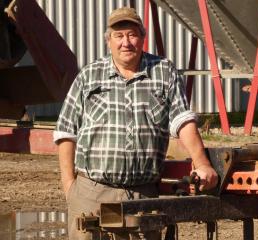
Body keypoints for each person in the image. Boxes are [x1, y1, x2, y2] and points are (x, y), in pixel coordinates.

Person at [54, 7, 218, 240]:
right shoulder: (89, 76)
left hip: (142, 196)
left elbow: (183, 121)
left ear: (142, 37)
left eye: (132, 34)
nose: (126, 42)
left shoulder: (163, 72)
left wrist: (202, 163)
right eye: (119, 36)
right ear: (108, 40)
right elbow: (65, 131)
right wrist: (70, 187)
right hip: (91, 195)